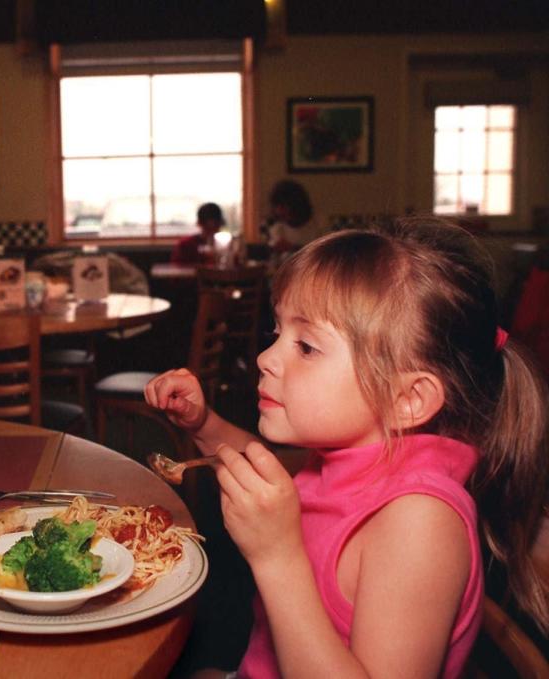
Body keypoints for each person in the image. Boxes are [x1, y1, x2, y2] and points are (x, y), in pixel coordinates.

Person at [145, 217, 549, 677]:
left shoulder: (421, 525)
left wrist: (278, 558)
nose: (265, 358)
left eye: (307, 347)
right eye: (278, 333)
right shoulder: (359, 454)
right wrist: (206, 425)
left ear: (407, 399)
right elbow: (267, 470)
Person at [260, 179, 317, 259]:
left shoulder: (317, 225)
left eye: (283, 205)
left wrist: (292, 248)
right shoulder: (274, 226)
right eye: (277, 206)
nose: (279, 210)